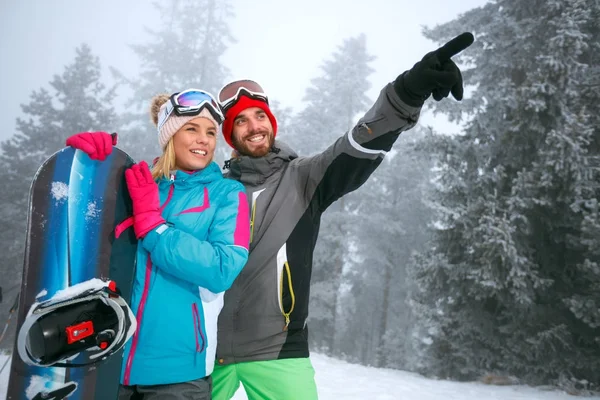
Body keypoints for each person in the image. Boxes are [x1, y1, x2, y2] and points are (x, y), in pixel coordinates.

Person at [209, 33, 474, 400]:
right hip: (209, 356)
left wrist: (408, 92)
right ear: (229, 134)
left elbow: (359, 143)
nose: (254, 126)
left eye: (260, 116)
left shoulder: (303, 178)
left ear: (272, 121)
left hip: (280, 353)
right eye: (241, 121)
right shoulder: (215, 191)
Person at [66, 89, 250, 400]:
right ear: (169, 135)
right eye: (191, 129)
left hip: (178, 376)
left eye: (210, 132)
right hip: (110, 361)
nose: (203, 140)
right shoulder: (137, 186)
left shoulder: (227, 194)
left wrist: (155, 226)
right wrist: (93, 167)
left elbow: (222, 268)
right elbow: (97, 245)